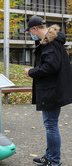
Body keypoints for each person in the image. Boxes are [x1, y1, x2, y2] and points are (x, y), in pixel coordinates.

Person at [23, 16, 72, 166]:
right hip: (52, 89)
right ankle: (50, 156)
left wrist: (31, 71)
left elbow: (51, 67)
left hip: (51, 90)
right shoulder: (50, 41)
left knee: (51, 125)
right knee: (50, 124)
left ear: (35, 29)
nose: (31, 35)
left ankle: (54, 160)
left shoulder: (50, 43)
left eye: (30, 32)